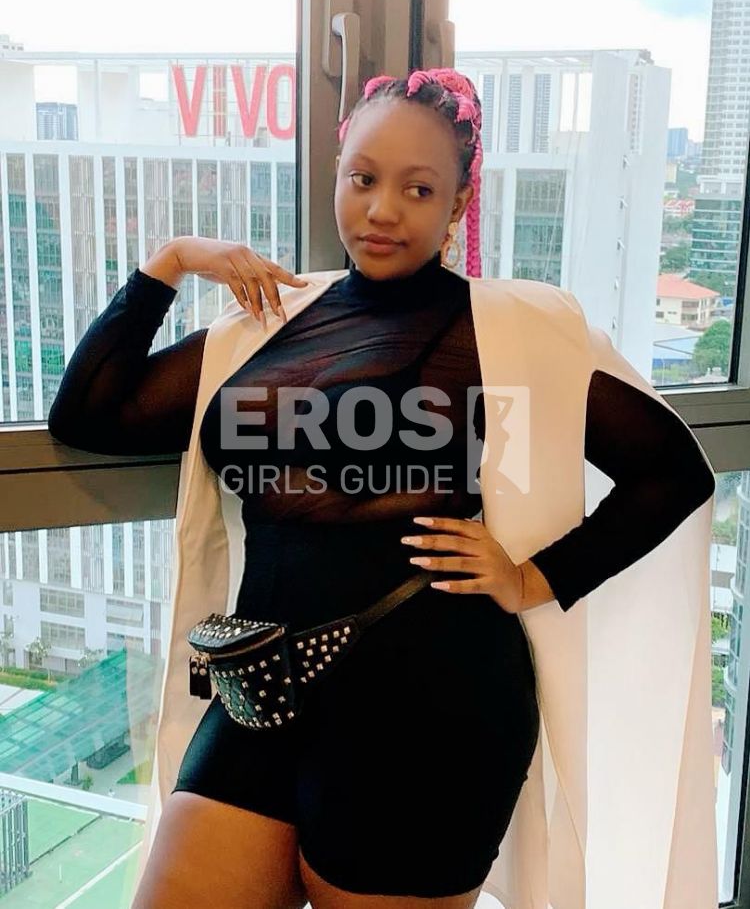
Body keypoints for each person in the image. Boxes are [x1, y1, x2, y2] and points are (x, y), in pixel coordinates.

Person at [47, 68, 717, 909]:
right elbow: (92, 413)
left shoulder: (509, 328)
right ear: (338, 172)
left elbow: (672, 471)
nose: (382, 210)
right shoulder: (269, 322)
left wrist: (531, 578)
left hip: (432, 709)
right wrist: (173, 261)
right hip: (264, 688)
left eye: (418, 188)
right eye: (363, 178)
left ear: (460, 201)